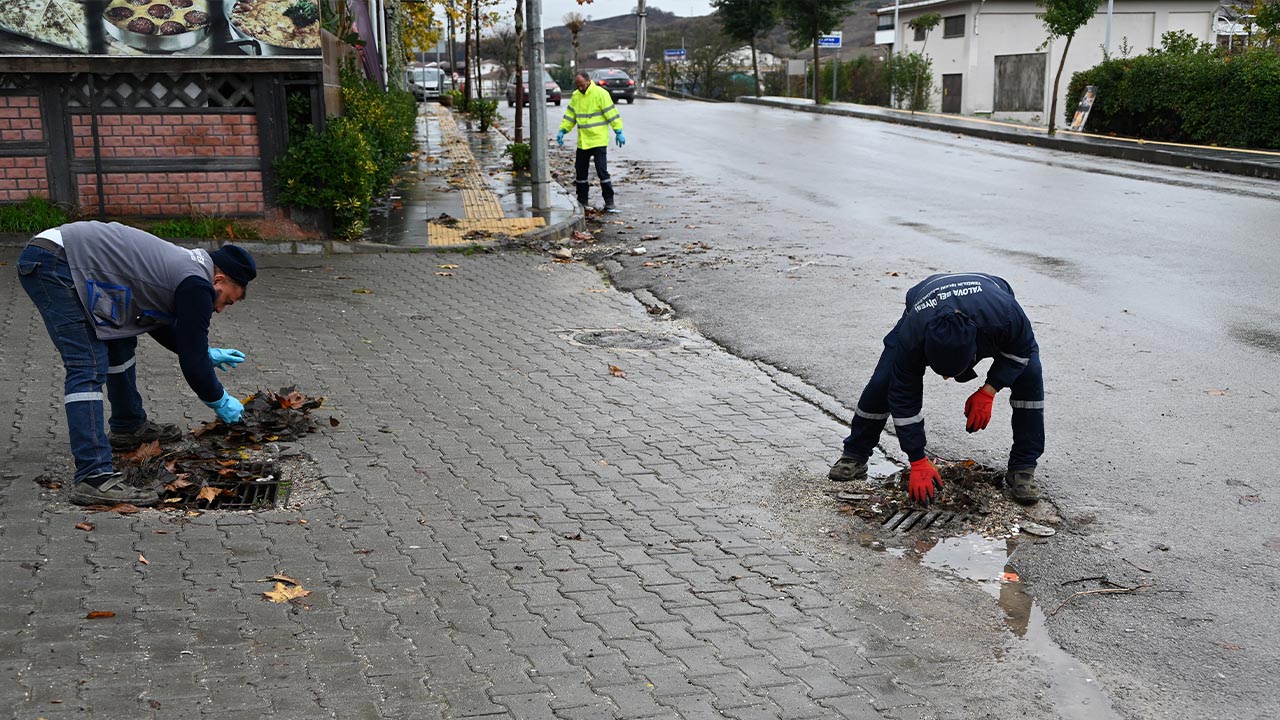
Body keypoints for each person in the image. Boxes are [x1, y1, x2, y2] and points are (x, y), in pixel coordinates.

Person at [16, 221, 256, 507]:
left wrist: (204, 352)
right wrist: (219, 399)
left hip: (61, 255)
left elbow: (156, 322)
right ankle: (93, 476)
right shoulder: (196, 284)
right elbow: (192, 364)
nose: (219, 309)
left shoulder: (187, 268)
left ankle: (128, 426)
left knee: (120, 338)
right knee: (88, 365)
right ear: (219, 280)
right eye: (227, 301)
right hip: (56, 263)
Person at [828, 272, 1044, 505]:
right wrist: (917, 459)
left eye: (951, 372)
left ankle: (1023, 468)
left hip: (990, 297)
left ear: (975, 349)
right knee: (884, 381)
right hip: (925, 301)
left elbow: (1021, 352)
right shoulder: (913, 334)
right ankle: (854, 454)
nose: (945, 378)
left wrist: (989, 390)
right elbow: (903, 396)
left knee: (1030, 375)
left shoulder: (1005, 315)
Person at [557, 70, 625, 213]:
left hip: (598, 140)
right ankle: (582, 201)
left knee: (602, 172)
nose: (580, 88)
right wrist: (563, 130)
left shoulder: (600, 94)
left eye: (582, 85)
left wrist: (618, 131)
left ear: (588, 81)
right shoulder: (576, 96)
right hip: (583, 141)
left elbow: (611, 114)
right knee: (581, 173)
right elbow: (570, 116)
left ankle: (609, 202)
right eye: (577, 85)